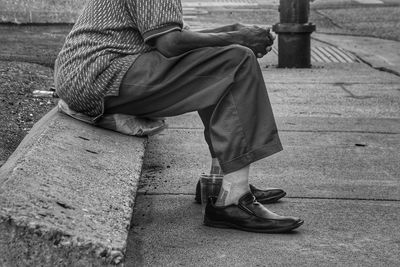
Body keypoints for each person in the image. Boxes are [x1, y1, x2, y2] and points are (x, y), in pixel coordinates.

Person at [54, 0, 303, 233]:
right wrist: (239, 38)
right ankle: (234, 199)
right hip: (99, 76)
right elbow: (170, 44)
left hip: (90, 75)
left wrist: (234, 31)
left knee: (218, 61)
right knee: (236, 61)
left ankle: (220, 182)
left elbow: (175, 37)